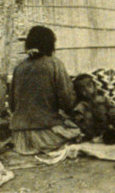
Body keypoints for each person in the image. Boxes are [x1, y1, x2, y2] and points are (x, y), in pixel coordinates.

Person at [7, 25, 83, 156]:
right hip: (46, 137)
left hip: (20, 138)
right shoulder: (54, 64)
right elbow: (67, 101)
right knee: (80, 131)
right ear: (50, 44)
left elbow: (12, 106)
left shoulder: (19, 68)